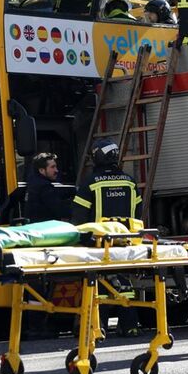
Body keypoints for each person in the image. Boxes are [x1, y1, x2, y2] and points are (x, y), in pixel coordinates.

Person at [71, 139, 141, 336]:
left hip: (99, 244)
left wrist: (80, 239)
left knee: (99, 285)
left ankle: (98, 327)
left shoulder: (90, 183)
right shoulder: (129, 181)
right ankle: (130, 326)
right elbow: (139, 210)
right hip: (125, 242)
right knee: (124, 284)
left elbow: (78, 215)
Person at [71, 139, 140, 225]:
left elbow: (79, 216)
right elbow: (138, 213)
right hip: (129, 236)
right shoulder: (130, 183)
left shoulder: (90, 184)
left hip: (99, 237)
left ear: (96, 157)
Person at [24, 153, 74, 223]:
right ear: (41, 170)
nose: (56, 170)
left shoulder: (34, 183)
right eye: (52, 167)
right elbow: (59, 209)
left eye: (56, 167)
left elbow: (58, 193)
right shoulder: (44, 187)